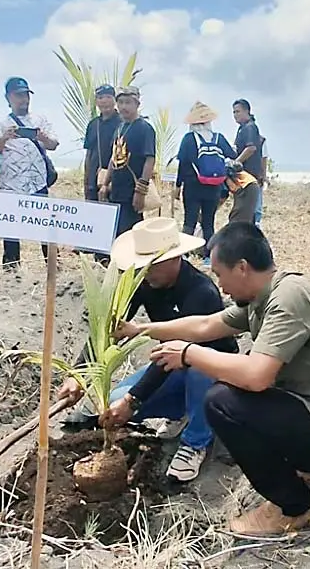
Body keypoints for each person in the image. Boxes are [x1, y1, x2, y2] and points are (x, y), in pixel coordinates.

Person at [119, 223, 310, 536]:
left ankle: (295, 508)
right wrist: (141, 330)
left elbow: (256, 377)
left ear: (242, 268)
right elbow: (206, 325)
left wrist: (189, 354)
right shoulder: (261, 299)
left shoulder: (290, 297)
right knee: (233, 388)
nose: (220, 286)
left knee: (222, 402)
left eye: (220, 274)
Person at [58, 217, 238, 482]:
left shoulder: (202, 292)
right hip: (171, 365)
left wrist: (133, 401)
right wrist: (79, 375)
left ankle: (195, 442)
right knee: (114, 400)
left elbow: (180, 351)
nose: (145, 272)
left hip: (212, 373)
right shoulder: (145, 283)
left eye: (151, 265)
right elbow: (110, 330)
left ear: (174, 259)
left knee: (198, 371)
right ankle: (182, 412)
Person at [0, 76, 59, 268]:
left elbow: (53, 145)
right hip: (10, 184)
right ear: (8, 98)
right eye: (18, 95)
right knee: (10, 229)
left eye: (26, 95)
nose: (23, 100)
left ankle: (53, 266)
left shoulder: (40, 119)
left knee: (45, 227)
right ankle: (12, 268)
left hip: (37, 181)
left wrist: (42, 137)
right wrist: (6, 137)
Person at [175, 101, 236, 261]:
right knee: (208, 223)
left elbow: (183, 164)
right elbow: (232, 155)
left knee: (189, 221)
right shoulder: (218, 138)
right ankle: (209, 258)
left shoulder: (189, 139)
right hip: (214, 187)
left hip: (192, 186)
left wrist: (178, 186)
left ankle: (184, 256)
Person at [104, 86, 156, 237]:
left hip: (132, 191)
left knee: (131, 234)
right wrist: (105, 184)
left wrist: (140, 190)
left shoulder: (145, 128)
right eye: (120, 102)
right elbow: (114, 157)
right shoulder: (119, 128)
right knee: (116, 234)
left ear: (137, 104)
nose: (123, 107)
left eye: (128, 102)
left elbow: (150, 159)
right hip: (116, 191)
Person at [84, 84, 121, 203]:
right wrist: (86, 182)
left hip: (116, 182)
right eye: (100, 98)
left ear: (115, 100)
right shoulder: (93, 124)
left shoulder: (123, 123)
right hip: (94, 181)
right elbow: (89, 154)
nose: (104, 101)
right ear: (96, 102)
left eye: (108, 97)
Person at [231, 99, 266, 226]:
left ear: (247, 111)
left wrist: (235, 162)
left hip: (250, 176)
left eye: (238, 111)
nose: (235, 115)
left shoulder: (250, 127)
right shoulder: (242, 129)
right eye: (234, 112)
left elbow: (251, 148)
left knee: (250, 212)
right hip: (243, 176)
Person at [224, 159, 260, 225]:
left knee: (238, 217)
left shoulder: (224, 173)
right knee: (246, 216)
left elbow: (233, 188)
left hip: (246, 186)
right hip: (251, 183)